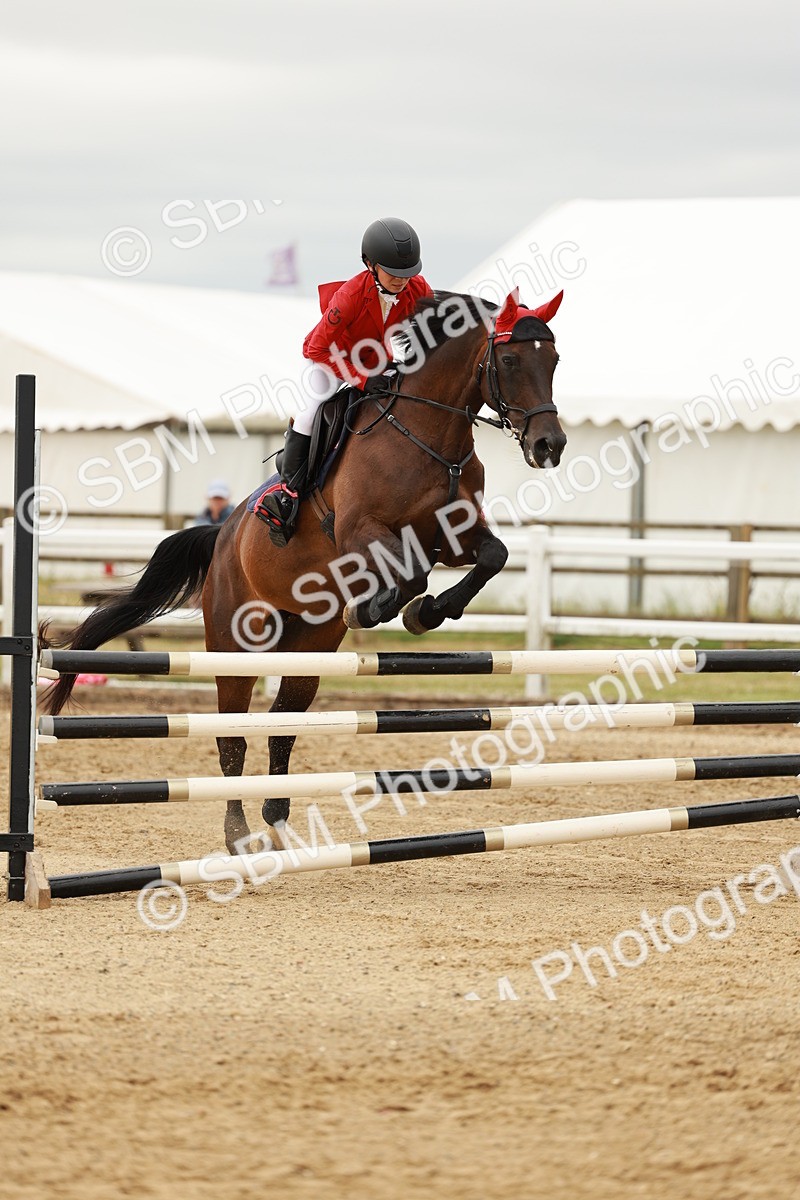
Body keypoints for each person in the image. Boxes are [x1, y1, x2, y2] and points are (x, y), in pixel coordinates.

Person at [257, 217, 432, 547]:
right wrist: (363, 379)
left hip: (377, 359)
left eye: (407, 273)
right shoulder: (350, 296)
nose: (401, 280)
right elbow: (316, 348)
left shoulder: (417, 288)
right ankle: (288, 495)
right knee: (309, 415)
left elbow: (429, 331)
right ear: (370, 265)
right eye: (393, 272)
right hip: (331, 361)